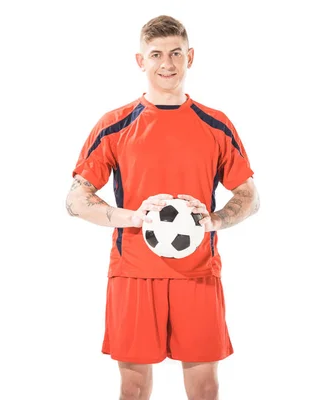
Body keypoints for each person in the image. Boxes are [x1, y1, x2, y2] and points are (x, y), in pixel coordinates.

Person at [66, 15, 260, 400]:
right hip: (134, 273)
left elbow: (250, 196)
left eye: (175, 53)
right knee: (134, 388)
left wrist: (214, 220)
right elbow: (75, 199)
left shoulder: (216, 124)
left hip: (198, 272)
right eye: (156, 54)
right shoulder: (115, 125)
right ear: (141, 61)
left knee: (205, 388)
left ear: (190, 56)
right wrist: (132, 217)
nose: (166, 64)